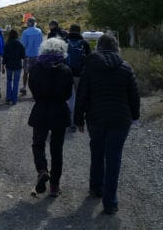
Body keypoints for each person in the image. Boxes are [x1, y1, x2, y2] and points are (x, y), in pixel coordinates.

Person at [74, 34, 140, 214]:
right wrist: (135, 116)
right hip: (120, 120)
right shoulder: (126, 68)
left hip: (95, 119)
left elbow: (81, 96)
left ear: (99, 47)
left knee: (97, 152)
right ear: (116, 47)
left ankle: (96, 188)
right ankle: (110, 202)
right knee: (114, 158)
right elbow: (134, 96)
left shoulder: (90, 67)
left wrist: (78, 119)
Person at [27, 38, 73, 198]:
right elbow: (68, 94)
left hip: (41, 110)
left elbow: (32, 88)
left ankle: (42, 170)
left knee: (38, 144)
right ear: (62, 51)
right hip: (59, 111)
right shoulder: (66, 70)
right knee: (57, 149)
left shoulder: (35, 68)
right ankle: (54, 186)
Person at [64, 24, 92, 132]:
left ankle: (69, 121)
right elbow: (89, 60)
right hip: (80, 74)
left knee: (69, 98)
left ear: (70, 30)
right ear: (80, 31)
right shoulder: (84, 43)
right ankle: (76, 121)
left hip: (66, 73)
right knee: (79, 99)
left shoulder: (64, 42)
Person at [20, 17, 43, 97]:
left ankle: (24, 87)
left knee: (26, 72)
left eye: (27, 22)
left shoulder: (25, 32)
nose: (26, 23)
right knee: (36, 73)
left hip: (28, 55)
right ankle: (35, 90)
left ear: (29, 23)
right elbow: (41, 42)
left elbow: (23, 44)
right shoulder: (39, 31)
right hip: (37, 55)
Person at [2, 29, 25, 105]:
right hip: (18, 65)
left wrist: (3, 66)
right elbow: (23, 56)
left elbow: (4, 56)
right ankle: (14, 100)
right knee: (16, 82)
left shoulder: (7, 44)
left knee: (9, 81)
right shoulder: (20, 44)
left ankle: (8, 98)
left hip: (9, 65)